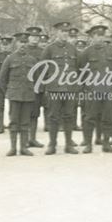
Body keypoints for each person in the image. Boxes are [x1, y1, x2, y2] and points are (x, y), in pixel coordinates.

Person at [78, 25, 112, 154]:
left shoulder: (111, 51)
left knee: (108, 117)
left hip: (108, 90)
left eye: (101, 35)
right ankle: (88, 145)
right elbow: (81, 72)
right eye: (96, 35)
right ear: (92, 37)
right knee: (90, 118)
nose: (99, 38)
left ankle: (106, 144)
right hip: (92, 90)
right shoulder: (86, 52)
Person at [41, 22, 80, 155]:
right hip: (54, 89)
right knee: (53, 117)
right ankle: (52, 144)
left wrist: (76, 84)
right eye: (62, 31)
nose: (65, 34)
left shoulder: (72, 49)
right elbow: (43, 68)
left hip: (70, 88)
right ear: (57, 32)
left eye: (67, 32)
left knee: (69, 116)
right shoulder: (49, 49)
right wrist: (48, 84)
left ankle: (69, 144)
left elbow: (78, 68)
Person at [0, 33, 39, 156]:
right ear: (16, 43)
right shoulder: (10, 59)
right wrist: (9, 91)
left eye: (25, 42)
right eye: (21, 42)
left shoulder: (32, 60)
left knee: (25, 122)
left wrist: (32, 90)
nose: (23, 45)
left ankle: (23, 148)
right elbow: (2, 77)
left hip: (28, 95)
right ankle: (13, 148)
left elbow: (37, 78)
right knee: (14, 121)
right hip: (14, 95)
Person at [24, 27, 47, 148]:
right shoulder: (23, 50)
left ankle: (32, 138)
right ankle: (24, 140)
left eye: (37, 37)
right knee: (24, 114)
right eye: (32, 37)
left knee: (35, 114)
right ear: (28, 38)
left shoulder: (43, 52)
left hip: (38, 87)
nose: (35, 39)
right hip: (25, 87)